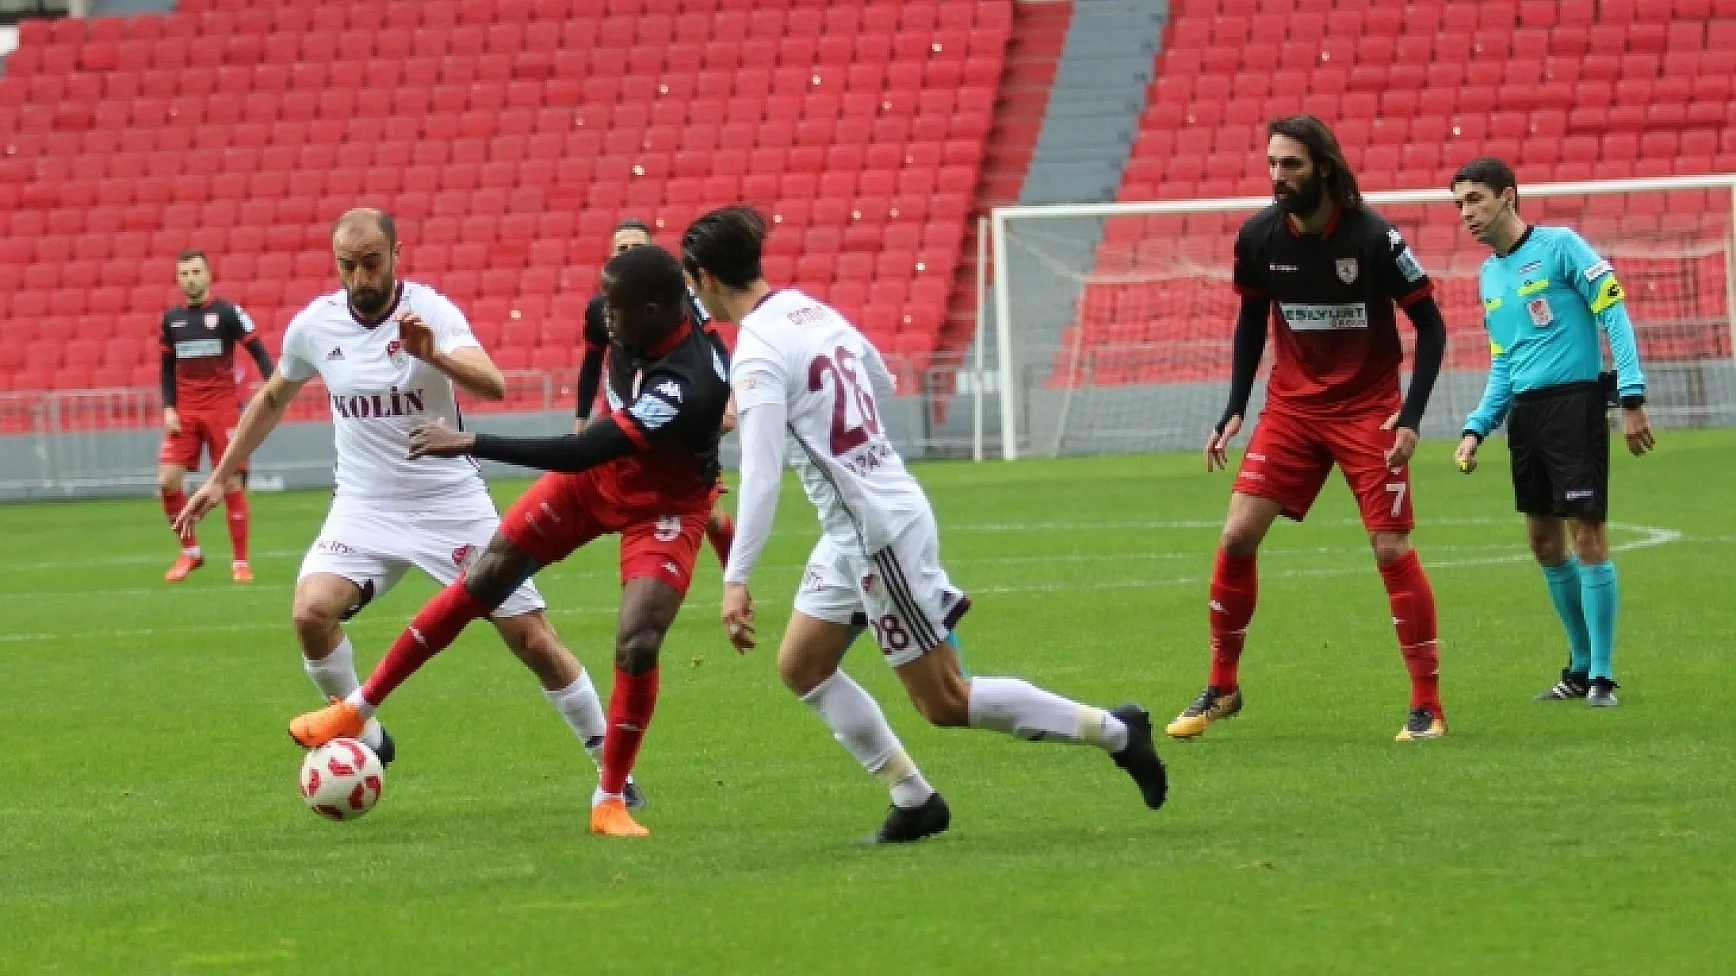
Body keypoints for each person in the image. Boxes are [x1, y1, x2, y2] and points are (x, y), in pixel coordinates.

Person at [691, 205, 1167, 845]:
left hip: (876, 534)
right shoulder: (807, 311)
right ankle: (912, 798)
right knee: (803, 665)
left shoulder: (756, 350)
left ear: (705, 277)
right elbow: (877, 373)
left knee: (944, 700)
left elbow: (762, 475)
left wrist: (736, 577)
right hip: (856, 526)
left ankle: (1116, 731)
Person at [178, 210, 634, 803]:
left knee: (531, 639)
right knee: (310, 613)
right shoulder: (315, 325)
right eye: (348, 265)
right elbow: (271, 398)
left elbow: (493, 383)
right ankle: (365, 733)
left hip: (450, 501)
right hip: (364, 506)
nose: (361, 277)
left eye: (372, 262)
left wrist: (434, 354)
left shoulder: (431, 311)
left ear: (396, 254)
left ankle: (613, 771)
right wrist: (220, 477)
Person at [287, 243, 730, 839]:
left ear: (653, 311)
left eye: (616, 309)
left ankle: (609, 797)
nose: (604, 316)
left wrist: (472, 442)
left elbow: (580, 453)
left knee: (637, 639)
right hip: (600, 480)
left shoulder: (687, 387)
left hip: (662, 505)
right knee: (486, 577)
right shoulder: (642, 309)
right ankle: (355, 709)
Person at [1168, 115, 1452, 743]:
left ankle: (1428, 705)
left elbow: (1431, 326)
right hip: (1292, 410)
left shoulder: (1375, 237)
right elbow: (1251, 321)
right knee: (1237, 534)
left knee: (1390, 549)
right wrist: (1235, 406)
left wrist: (1410, 415)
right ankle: (1222, 686)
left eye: (1291, 165)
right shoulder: (1258, 237)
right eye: (1272, 163)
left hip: (1369, 409)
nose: (1278, 176)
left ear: (1323, 166)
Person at [1449, 157, 1655, 708]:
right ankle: (1579, 665)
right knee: (1544, 543)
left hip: (1575, 406)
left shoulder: (1562, 247)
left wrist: (1631, 395)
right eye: (1459, 204)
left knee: (1587, 534)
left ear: (1508, 196)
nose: (1466, 213)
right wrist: (1477, 426)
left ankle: (1603, 676)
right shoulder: (1488, 276)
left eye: (1475, 199)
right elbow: (1503, 361)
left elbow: (1613, 311)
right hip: (1526, 415)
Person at [576, 217, 738, 569]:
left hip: (669, 414)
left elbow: (712, 349)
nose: (629, 252)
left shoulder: (680, 304)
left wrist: (724, 405)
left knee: (706, 513)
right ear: (611, 255)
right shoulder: (600, 309)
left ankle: (735, 575)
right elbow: (591, 363)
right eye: (622, 248)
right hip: (621, 414)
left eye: (637, 246)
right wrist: (580, 420)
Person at [157, 250, 274, 583]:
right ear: (178, 279)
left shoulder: (227, 313)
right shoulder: (171, 320)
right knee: (167, 480)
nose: (190, 279)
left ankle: (240, 563)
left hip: (222, 410)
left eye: (196, 272)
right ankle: (190, 552)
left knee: (231, 482)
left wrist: (274, 389)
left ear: (208, 275)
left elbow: (259, 352)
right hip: (186, 411)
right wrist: (168, 407)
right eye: (184, 274)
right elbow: (166, 368)